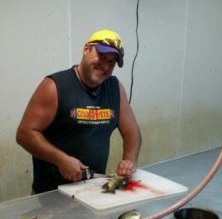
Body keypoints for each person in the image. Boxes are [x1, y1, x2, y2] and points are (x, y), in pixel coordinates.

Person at [16, 29, 142, 194]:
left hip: (93, 189)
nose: (105, 65)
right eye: (102, 56)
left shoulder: (114, 88)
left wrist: (129, 161)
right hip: (51, 193)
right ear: (85, 49)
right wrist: (61, 160)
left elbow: (132, 130)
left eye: (112, 62)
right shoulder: (54, 86)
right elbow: (25, 134)